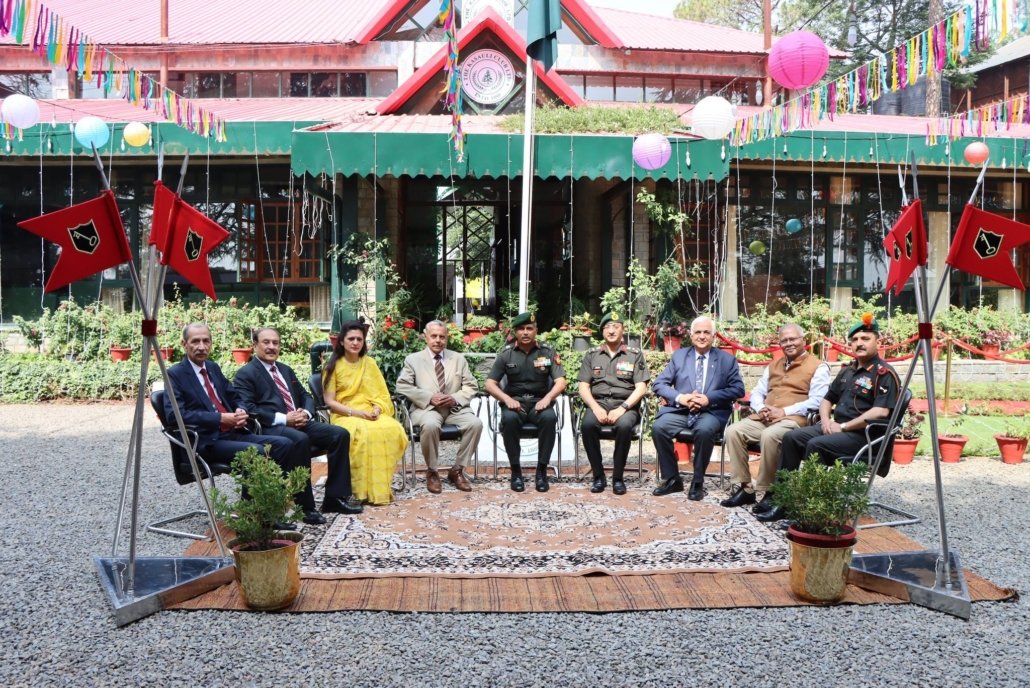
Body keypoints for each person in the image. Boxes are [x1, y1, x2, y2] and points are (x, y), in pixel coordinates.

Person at [162, 323, 325, 526]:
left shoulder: (212, 367)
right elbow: (175, 415)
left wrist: (240, 409)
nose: (201, 346)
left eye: (206, 341)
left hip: (232, 432)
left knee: (284, 444)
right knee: (256, 451)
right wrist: (220, 418)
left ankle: (273, 505)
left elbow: (234, 396)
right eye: (195, 341)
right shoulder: (174, 374)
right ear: (184, 344)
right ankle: (256, 517)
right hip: (205, 441)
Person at [757, 313, 901, 522]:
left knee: (816, 445)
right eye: (855, 339)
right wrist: (825, 421)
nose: (859, 343)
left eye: (865, 338)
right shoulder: (848, 371)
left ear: (877, 341)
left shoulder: (883, 373)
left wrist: (843, 427)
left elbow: (881, 412)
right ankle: (781, 499)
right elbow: (826, 399)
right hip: (837, 428)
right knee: (792, 437)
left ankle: (809, 508)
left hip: (863, 436)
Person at [234, 327, 363, 516]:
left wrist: (306, 413)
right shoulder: (246, 374)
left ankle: (335, 499)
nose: (272, 347)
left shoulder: (285, 370)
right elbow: (249, 408)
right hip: (271, 427)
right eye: (266, 342)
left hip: (300, 422)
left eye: (275, 343)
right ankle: (305, 507)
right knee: (300, 439)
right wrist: (284, 419)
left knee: (339, 434)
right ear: (255, 345)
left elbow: (306, 396)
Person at [719, 323, 830, 513]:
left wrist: (784, 411)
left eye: (793, 339)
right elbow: (757, 392)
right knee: (733, 431)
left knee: (770, 435)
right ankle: (746, 488)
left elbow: (818, 400)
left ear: (803, 340)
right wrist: (761, 407)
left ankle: (771, 491)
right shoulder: (773, 365)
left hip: (794, 420)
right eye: (784, 340)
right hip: (766, 417)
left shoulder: (818, 367)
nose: (789, 343)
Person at [652, 315, 745, 501]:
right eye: (698, 332)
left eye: (706, 332)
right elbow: (659, 384)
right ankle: (672, 479)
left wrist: (708, 399)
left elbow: (738, 389)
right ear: (691, 335)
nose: (702, 336)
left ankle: (697, 481)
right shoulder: (679, 356)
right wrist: (682, 398)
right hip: (682, 410)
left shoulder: (727, 360)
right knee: (659, 427)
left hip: (711, 411)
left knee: (704, 430)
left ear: (713, 336)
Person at [321, 320, 408, 506]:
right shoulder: (333, 366)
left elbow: (382, 394)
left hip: (370, 411)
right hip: (345, 414)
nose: (355, 343)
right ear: (341, 341)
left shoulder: (370, 363)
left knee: (392, 428)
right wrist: (356, 413)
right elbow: (330, 402)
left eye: (359, 339)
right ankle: (360, 489)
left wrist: (377, 408)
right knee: (363, 433)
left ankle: (379, 487)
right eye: (351, 339)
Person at [395, 320, 483, 493]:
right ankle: (432, 471)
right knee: (430, 425)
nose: (438, 340)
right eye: (434, 336)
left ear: (447, 338)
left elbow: (471, 386)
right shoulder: (413, 360)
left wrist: (455, 398)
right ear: (426, 337)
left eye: (442, 337)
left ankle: (457, 470)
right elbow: (402, 386)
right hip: (427, 409)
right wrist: (429, 397)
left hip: (454, 409)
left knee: (475, 424)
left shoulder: (458, 359)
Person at [484, 312, 567, 493]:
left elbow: (561, 382)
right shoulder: (506, 354)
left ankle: (541, 471)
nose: (526, 332)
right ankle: (516, 471)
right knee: (509, 420)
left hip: (540, 402)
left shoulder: (547, 352)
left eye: (530, 328)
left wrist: (548, 398)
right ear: (515, 332)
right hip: (515, 403)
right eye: (521, 329)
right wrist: (506, 399)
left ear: (536, 330)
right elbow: (489, 384)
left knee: (550, 418)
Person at [577, 312, 649, 495]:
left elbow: (641, 387)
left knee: (624, 426)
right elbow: (583, 387)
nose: (611, 331)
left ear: (622, 330)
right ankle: (598, 476)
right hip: (598, 403)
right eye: (607, 327)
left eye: (616, 327)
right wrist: (595, 408)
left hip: (625, 405)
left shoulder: (634, 355)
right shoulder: (592, 355)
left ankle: (618, 478)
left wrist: (622, 408)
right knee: (587, 426)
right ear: (602, 332)